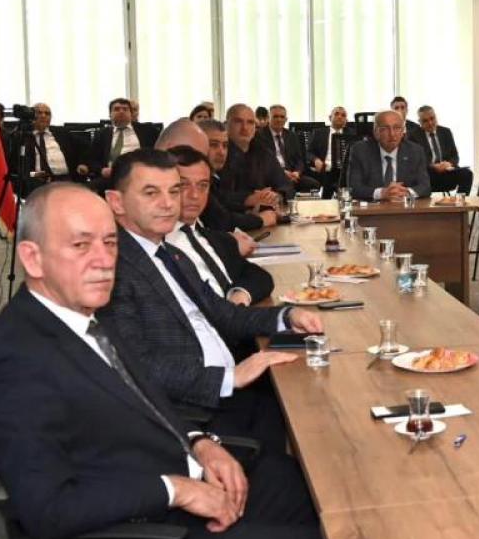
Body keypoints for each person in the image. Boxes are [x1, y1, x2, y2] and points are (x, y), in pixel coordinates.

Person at [0, 183, 322, 539]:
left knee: (315, 485)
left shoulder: (82, 314)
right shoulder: (13, 360)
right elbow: (48, 511)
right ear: (32, 258)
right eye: (80, 245)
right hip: (140, 529)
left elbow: (148, 401)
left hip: (175, 474)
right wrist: (175, 490)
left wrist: (200, 443)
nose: (104, 260)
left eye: (110, 243)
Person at [102, 149, 323, 449]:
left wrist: (286, 316)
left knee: (315, 413)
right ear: (116, 202)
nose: (168, 203)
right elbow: (136, 365)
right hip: (192, 415)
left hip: (228, 391)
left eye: (173, 191)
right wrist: (229, 378)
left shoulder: (170, 253)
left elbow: (225, 314)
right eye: (151, 193)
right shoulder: (111, 269)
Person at [167, 145, 274, 304]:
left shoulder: (216, 239)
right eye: (183, 185)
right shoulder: (156, 245)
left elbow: (260, 277)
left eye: (203, 185)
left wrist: (239, 295)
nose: (195, 195)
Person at [196, 119, 275, 233]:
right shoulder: (195, 180)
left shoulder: (213, 177)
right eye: (213, 145)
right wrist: (261, 219)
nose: (221, 152)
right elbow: (221, 221)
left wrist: (251, 209)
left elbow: (224, 204)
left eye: (225, 146)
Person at [346, 109, 431, 202]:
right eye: (385, 128)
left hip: (403, 206)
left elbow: (425, 186)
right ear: (376, 132)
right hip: (373, 208)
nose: (392, 134)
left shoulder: (415, 151)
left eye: (397, 128)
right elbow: (354, 187)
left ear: (403, 132)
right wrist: (382, 193)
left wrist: (406, 192)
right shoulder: (360, 151)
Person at [220, 103, 291, 211]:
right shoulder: (219, 154)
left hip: (265, 213)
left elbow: (286, 185)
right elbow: (216, 195)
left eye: (250, 122)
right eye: (238, 121)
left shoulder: (263, 152)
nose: (245, 128)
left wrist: (277, 196)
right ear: (226, 125)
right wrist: (248, 198)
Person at [80, 97, 156, 179]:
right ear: (110, 115)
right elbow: (92, 159)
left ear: (131, 114)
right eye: (116, 109)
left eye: (125, 109)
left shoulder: (147, 131)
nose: (121, 111)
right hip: (110, 176)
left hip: (140, 175)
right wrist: (101, 170)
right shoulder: (102, 134)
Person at [414, 105, 473, 194]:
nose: (430, 123)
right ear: (419, 122)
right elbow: (416, 162)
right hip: (428, 174)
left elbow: (455, 156)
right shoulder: (414, 136)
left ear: (436, 117)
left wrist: (449, 163)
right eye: (425, 121)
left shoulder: (446, 132)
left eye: (432, 118)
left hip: (446, 171)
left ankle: (459, 202)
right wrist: (433, 166)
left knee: (467, 174)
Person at [23, 102, 80, 188]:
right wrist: (40, 174)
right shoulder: (24, 137)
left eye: (47, 113)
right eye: (39, 113)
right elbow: (22, 170)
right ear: (31, 116)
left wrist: (83, 164)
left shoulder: (62, 133)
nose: (43, 116)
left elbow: (84, 148)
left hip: (66, 179)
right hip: (38, 181)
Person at [264, 105, 319, 192]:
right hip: (271, 176)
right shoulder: (260, 136)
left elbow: (299, 159)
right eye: (275, 116)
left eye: (282, 117)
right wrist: (282, 172)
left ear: (286, 119)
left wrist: (297, 172)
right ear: (268, 118)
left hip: (292, 174)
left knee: (313, 184)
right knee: (287, 188)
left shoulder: (292, 136)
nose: (279, 119)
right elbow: (263, 162)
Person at [307, 105, 352, 195]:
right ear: (330, 117)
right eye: (336, 114)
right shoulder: (319, 133)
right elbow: (308, 152)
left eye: (343, 115)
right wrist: (316, 160)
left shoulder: (351, 134)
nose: (340, 117)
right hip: (325, 168)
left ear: (346, 121)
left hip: (345, 170)